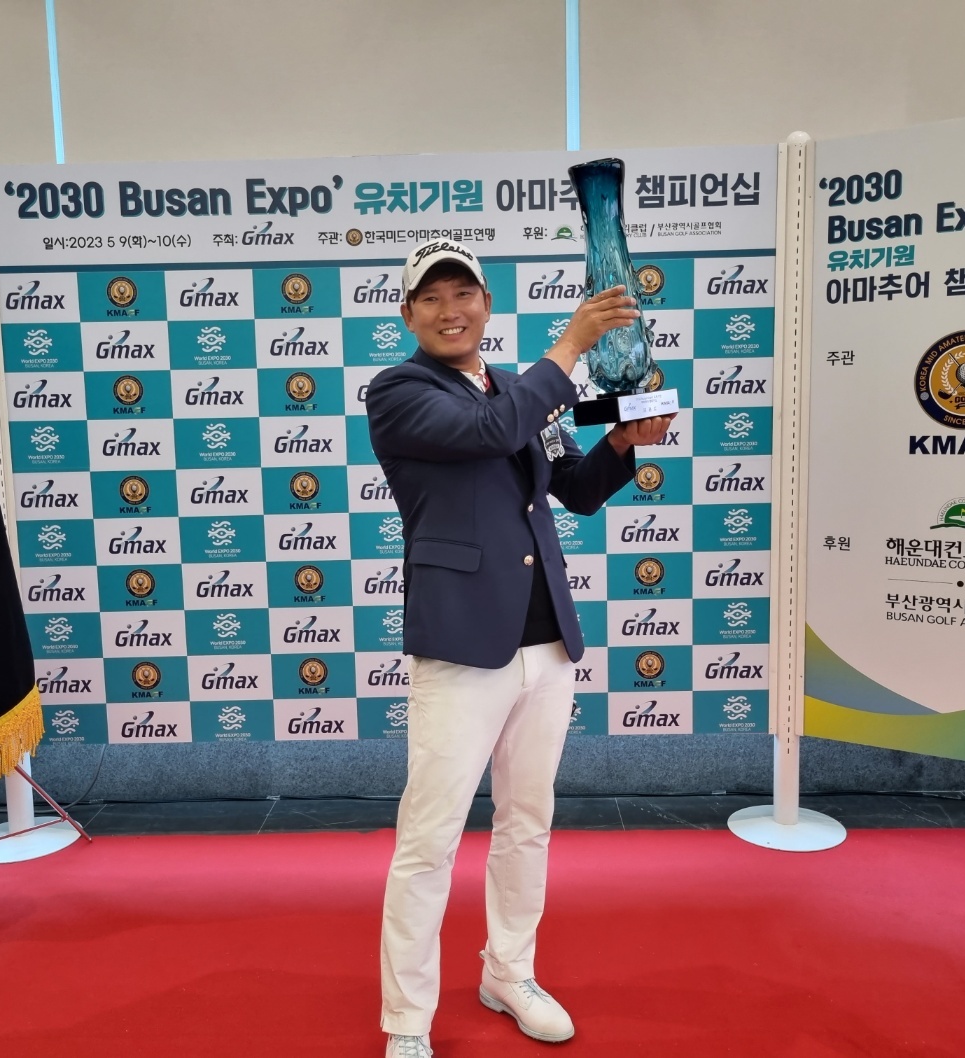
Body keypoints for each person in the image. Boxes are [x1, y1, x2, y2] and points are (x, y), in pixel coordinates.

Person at [366, 239, 675, 1058]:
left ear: (486, 304)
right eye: (431, 298)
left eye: (462, 293)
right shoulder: (397, 391)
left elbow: (573, 490)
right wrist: (570, 346)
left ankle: (507, 973)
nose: (450, 310)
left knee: (527, 823)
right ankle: (407, 1020)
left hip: (547, 643)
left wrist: (623, 442)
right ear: (407, 314)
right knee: (428, 842)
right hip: (461, 645)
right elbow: (488, 431)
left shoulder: (515, 388)